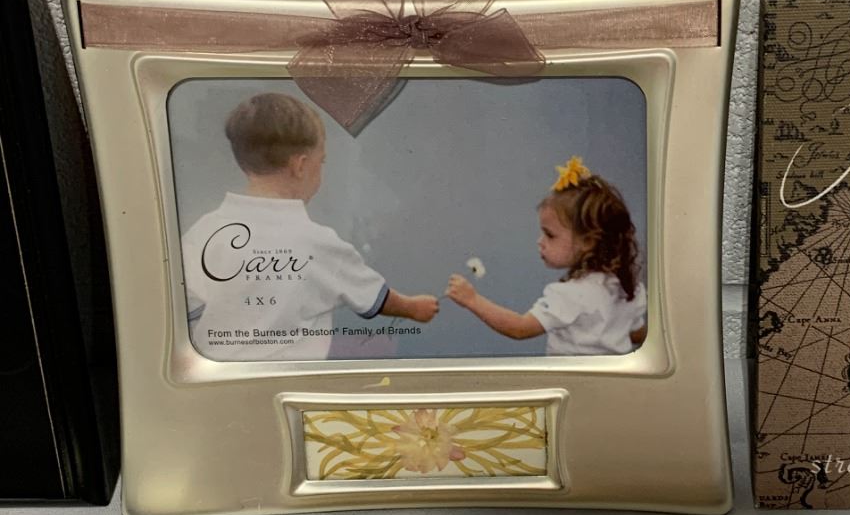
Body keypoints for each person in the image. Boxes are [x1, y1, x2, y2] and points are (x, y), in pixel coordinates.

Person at [180, 90, 439, 359]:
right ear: (301, 166)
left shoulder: (204, 233)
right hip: (292, 378)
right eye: (322, 161)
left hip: (216, 377)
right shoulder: (318, 244)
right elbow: (375, 296)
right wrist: (413, 307)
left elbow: (183, 306)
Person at [445, 159, 646, 356]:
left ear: (587, 241)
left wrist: (472, 299)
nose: (540, 242)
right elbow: (636, 334)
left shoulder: (570, 295)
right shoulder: (629, 287)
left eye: (550, 235)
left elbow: (520, 328)